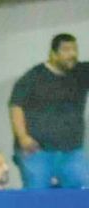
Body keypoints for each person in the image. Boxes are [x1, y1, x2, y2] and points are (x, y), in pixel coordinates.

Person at [9, 33, 89, 189]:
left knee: (81, 196)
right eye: (66, 50)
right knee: (38, 197)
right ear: (53, 54)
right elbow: (16, 106)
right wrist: (23, 137)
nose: (72, 54)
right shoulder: (33, 77)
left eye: (74, 49)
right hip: (38, 152)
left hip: (72, 152)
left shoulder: (81, 73)